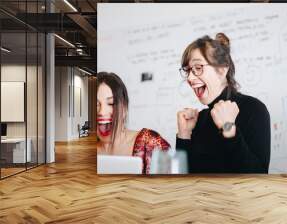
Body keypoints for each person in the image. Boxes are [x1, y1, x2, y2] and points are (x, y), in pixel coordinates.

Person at [176, 33, 271, 173]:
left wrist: (229, 129)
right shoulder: (200, 119)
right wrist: (184, 135)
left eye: (198, 67)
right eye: (188, 70)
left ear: (222, 68)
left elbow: (258, 177)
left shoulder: (254, 109)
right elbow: (180, 181)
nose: (189, 78)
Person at [97, 72, 170, 174]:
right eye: (96, 104)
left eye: (111, 103)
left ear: (125, 109)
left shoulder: (150, 143)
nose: (101, 111)